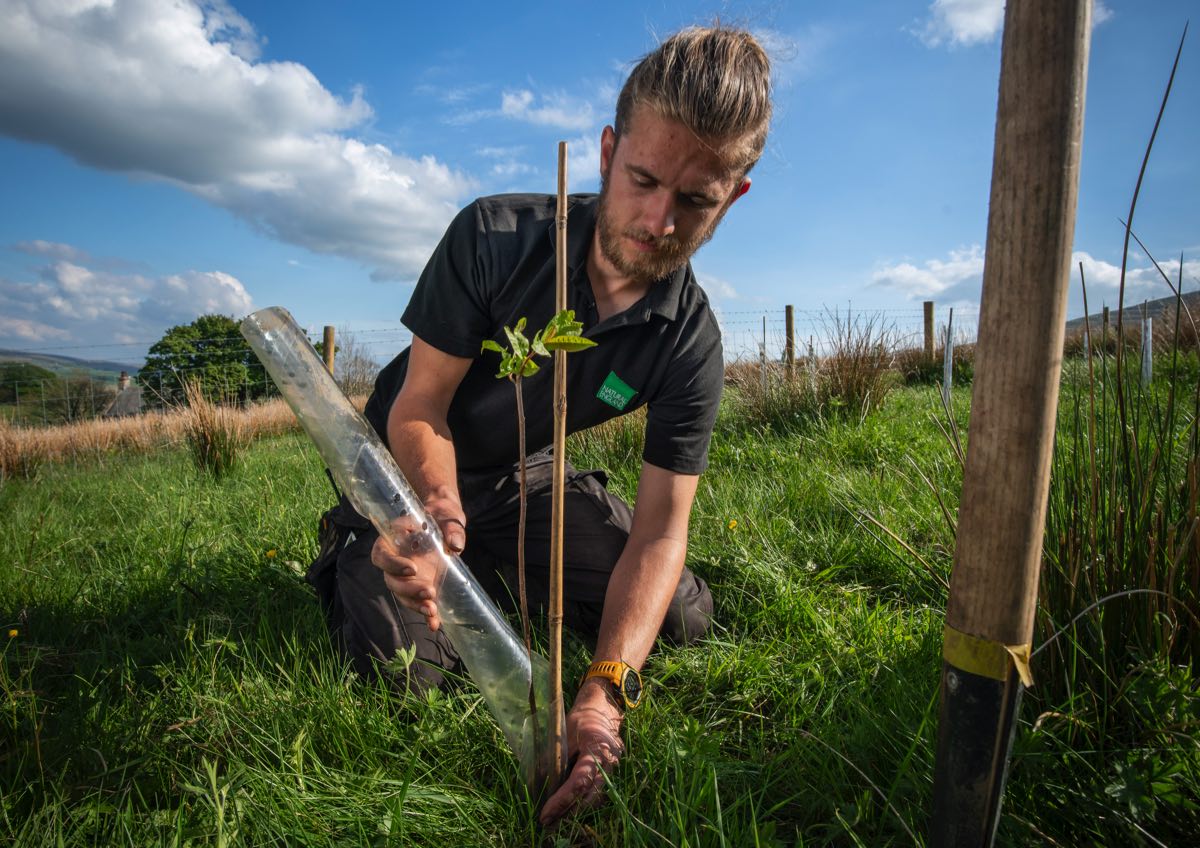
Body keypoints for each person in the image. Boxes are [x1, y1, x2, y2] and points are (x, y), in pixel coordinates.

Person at [307, 25, 772, 825]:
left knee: (683, 616)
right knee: (414, 681)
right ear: (604, 152)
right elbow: (419, 407)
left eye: (695, 199)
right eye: (643, 179)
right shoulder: (494, 238)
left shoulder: (689, 342)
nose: (659, 221)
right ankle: (355, 547)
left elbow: (663, 532)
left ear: (732, 196)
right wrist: (434, 518)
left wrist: (605, 690)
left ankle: (497, 569)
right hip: (409, 477)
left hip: (525, 482)